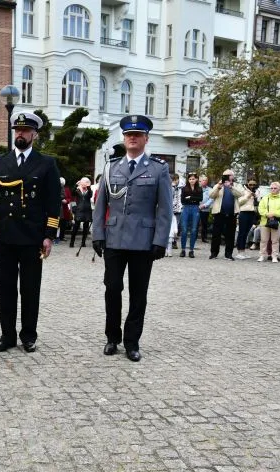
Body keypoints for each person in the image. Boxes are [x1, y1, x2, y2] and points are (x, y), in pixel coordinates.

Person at [92, 115, 173, 362]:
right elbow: (101, 204)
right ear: (124, 138)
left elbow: (165, 208)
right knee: (112, 289)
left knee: (138, 294)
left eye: (137, 135)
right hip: (114, 238)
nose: (133, 138)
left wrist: (160, 240)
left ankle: (132, 341)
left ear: (146, 139)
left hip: (143, 241)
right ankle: (112, 337)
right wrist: (98, 234)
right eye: (129, 135)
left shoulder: (158, 169)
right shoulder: (111, 167)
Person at [0, 112, 61, 353]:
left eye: (25, 131)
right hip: (5, 236)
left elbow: (53, 202)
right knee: (5, 289)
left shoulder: (46, 163)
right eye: (17, 130)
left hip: (32, 237)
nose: (20, 134)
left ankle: (28, 335)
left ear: (34, 134)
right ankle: (7, 335)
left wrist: (49, 235)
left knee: (30, 289)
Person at [208, 169, 242, 260]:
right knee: (216, 234)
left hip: (232, 213)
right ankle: (214, 253)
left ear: (233, 176)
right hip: (219, 213)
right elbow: (211, 195)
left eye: (229, 175)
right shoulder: (218, 185)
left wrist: (231, 187)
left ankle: (228, 254)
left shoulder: (237, 185)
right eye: (225, 175)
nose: (227, 177)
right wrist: (218, 187)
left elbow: (240, 194)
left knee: (230, 235)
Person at [257, 182, 280, 263]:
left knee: (275, 241)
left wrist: (273, 214)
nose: (273, 189)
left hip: (277, 223)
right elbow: (260, 209)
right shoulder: (265, 198)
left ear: (279, 189)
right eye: (271, 188)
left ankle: (274, 256)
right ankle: (262, 255)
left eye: (275, 188)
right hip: (265, 222)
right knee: (263, 240)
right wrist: (267, 214)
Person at [179, 172, 203, 258]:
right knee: (184, 230)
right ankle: (183, 250)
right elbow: (183, 200)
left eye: (193, 179)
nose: (191, 180)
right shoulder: (184, 188)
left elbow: (200, 199)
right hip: (186, 208)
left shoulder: (199, 189)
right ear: (188, 180)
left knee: (194, 230)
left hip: (195, 209)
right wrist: (193, 199)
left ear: (196, 179)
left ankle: (191, 250)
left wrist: (190, 197)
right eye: (190, 179)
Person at [70, 177, 93, 248]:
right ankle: (72, 242)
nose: (84, 184)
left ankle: (83, 243)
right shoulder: (78, 190)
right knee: (75, 227)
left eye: (86, 182)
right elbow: (72, 193)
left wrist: (88, 187)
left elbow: (90, 195)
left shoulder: (89, 191)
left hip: (87, 211)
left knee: (86, 228)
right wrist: (76, 185)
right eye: (84, 182)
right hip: (79, 210)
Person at [198, 175, 213, 243]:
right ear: (200, 181)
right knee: (195, 223)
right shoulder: (197, 189)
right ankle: (194, 236)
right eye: (203, 180)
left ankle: (204, 238)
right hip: (196, 208)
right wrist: (198, 205)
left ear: (207, 181)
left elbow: (211, 199)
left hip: (205, 210)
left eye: (205, 180)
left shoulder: (210, 190)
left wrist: (204, 205)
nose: (204, 182)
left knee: (204, 224)